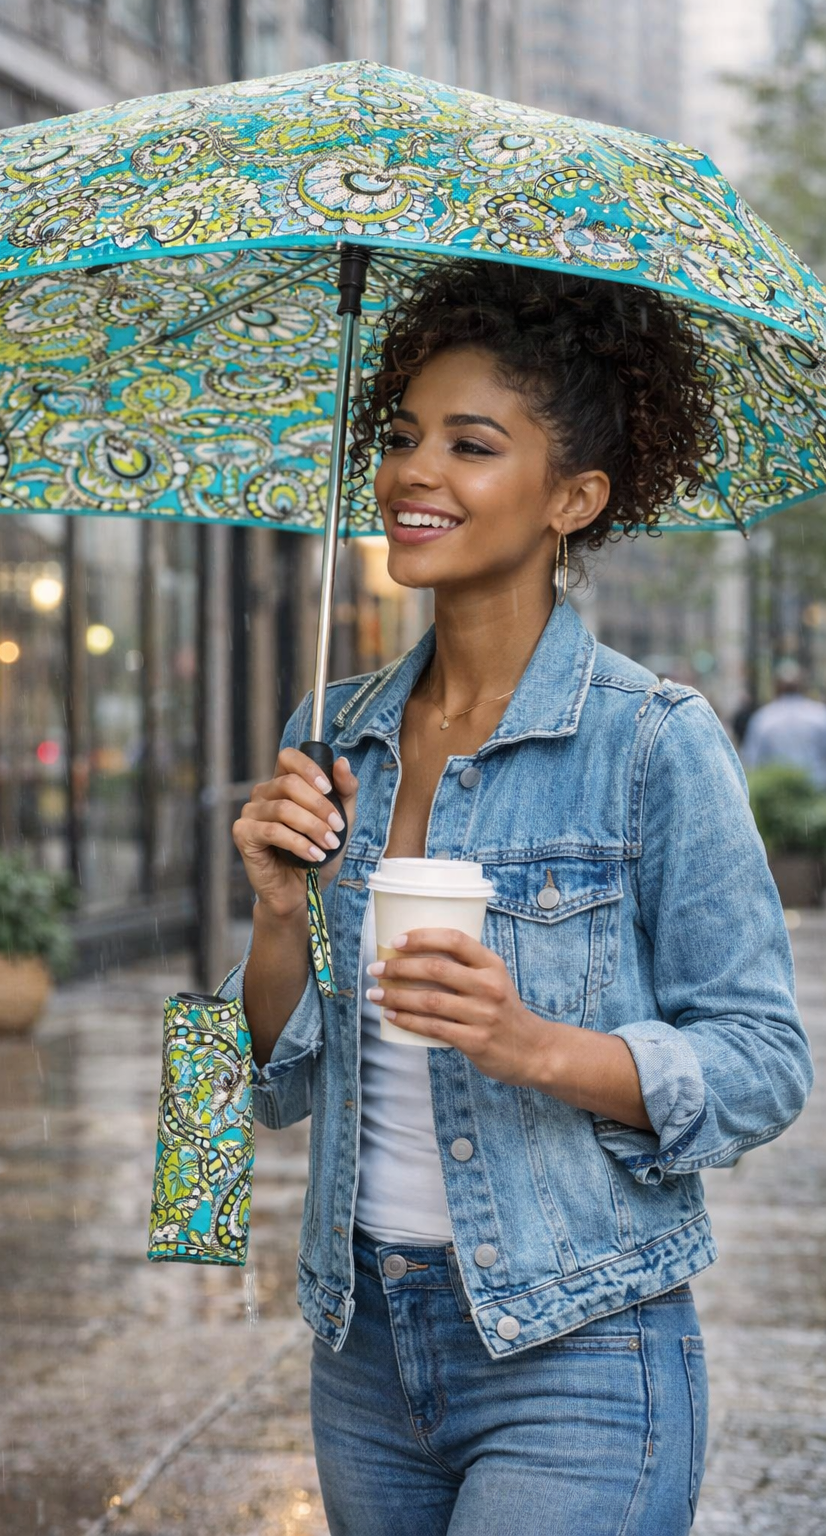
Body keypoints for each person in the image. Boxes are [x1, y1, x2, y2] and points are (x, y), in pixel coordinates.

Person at [226, 262, 813, 1536]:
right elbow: (266, 1081)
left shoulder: (650, 741)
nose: (413, 473)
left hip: (580, 1349)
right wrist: (276, 913)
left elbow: (764, 1061)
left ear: (572, 498)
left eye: (470, 444)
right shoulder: (332, 734)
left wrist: (531, 1044)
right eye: (401, 437)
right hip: (361, 1347)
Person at [742, 658, 826, 789]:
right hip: (818, 790)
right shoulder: (820, 715)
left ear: (776, 687)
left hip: (776, 793)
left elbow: (752, 761)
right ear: (802, 687)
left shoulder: (763, 719)